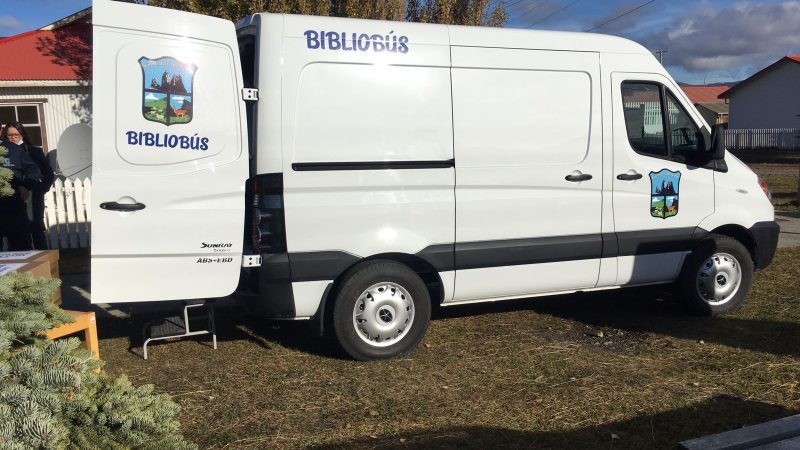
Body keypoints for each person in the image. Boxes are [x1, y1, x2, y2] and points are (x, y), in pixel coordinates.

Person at [2, 122, 54, 250]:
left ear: (22, 134)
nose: (13, 137)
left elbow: (47, 173)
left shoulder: (34, 151)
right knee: (17, 233)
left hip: (32, 196)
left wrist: (41, 189)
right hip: (13, 199)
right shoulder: (5, 151)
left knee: (35, 228)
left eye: (16, 134)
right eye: (10, 135)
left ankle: (42, 259)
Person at [0, 138, 41, 250]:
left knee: (22, 249)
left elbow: (33, 169)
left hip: (13, 209)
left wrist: (26, 185)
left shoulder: (14, 150)